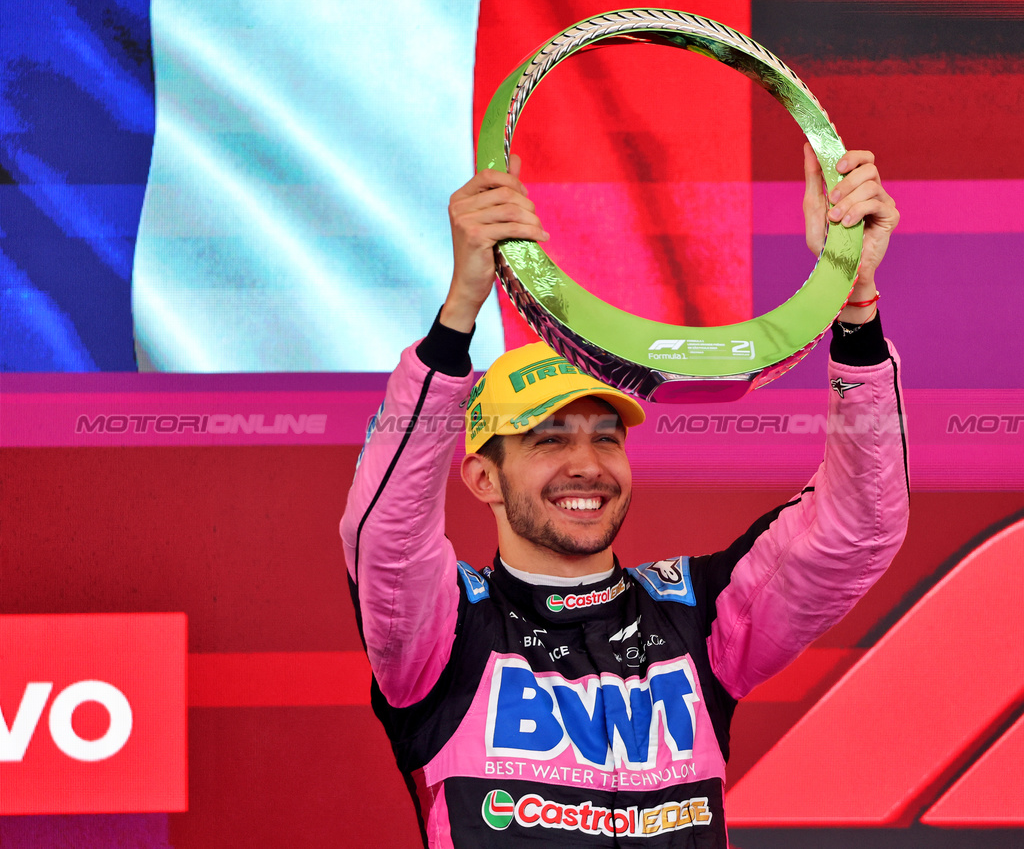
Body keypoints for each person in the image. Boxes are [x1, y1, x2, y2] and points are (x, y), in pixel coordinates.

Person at [340, 144, 907, 847]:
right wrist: (460, 312)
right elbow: (384, 534)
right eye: (547, 440)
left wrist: (851, 302)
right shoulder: (444, 633)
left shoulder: (697, 615)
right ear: (483, 477)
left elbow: (859, 529)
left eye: (605, 437)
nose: (586, 464)